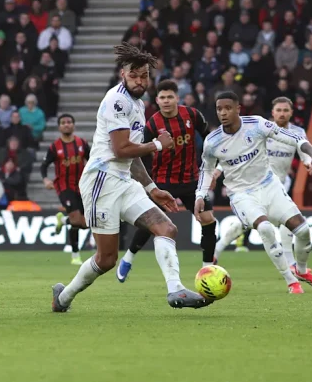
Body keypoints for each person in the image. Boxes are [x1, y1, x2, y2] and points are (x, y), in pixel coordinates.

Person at [52, 43, 210, 313]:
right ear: (122, 74)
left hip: (124, 181)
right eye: (134, 75)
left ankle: (175, 289)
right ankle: (63, 298)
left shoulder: (137, 104)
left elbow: (132, 155)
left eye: (144, 75)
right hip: (101, 181)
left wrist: (151, 187)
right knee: (106, 259)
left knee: (166, 228)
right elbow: (120, 149)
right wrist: (158, 145)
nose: (140, 80)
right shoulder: (117, 100)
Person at [195, 92, 312, 294]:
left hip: (270, 186)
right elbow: (206, 169)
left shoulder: (257, 125)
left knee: (303, 230)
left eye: (228, 108)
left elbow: (295, 138)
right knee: (265, 228)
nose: (223, 113)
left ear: (238, 109)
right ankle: (291, 281)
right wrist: (200, 195)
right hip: (241, 194)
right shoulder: (213, 141)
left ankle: (301, 271)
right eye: (219, 109)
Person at [117, 79, 217, 282]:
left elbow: (210, 139)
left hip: (191, 181)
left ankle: (207, 269)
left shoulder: (192, 115)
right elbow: (141, 152)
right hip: (163, 181)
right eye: (162, 97)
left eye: (170, 97)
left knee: (208, 220)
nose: (166, 101)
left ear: (177, 98)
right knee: (150, 222)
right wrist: (146, 181)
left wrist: (212, 168)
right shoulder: (152, 123)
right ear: (157, 100)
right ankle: (128, 258)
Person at [212, 97, 312, 272]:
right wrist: (219, 169)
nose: (282, 114)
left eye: (285, 110)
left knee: (285, 221)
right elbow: (239, 152)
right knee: (246, 223)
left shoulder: (297, 132)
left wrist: (308, 161)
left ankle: (290, 263)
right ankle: (217, 250)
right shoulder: (261, 129)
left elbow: (302, 150)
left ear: (291, 112)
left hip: (279, 184)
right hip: (254, 183)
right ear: (272, 112)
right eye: (278, 110)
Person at [40, 113, 90, 265]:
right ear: (59, 127)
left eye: (69, 122)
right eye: (63, 122)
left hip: (82, 187)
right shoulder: (55, 147)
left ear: (73, 125)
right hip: (64, 187)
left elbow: (92, 160)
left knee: (84, 224)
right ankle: (75, 256)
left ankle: (62, 220)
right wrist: (45, 179)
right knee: (76, 220)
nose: (66, 124)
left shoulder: (82, 143)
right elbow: (44, 165)